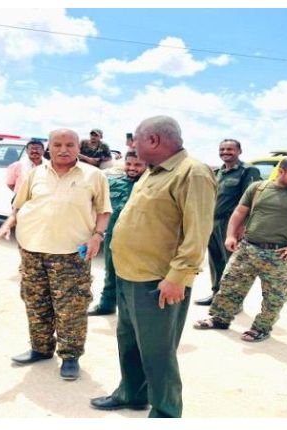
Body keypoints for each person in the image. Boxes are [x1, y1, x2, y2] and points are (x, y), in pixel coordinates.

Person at [90, 116, 216, 418]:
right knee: (129, 342)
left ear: (154, 140)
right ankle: (132, 394)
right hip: (129, 274)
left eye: (136, 140)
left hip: (158, 281)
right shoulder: (152, 171)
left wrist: (178, 278)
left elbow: (197, 234)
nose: (132, 146)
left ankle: (166, 413)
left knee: (157, 353)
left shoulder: (193, 173)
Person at [0, 128, 111, 381]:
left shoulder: (94, 175)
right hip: (32, 251)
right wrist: (7, 224)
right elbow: (18, 206)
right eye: (57, 144)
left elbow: (103, 211)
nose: (63, 149)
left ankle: (70, 356)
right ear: (49, 147)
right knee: (36, 302)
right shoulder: (35, 174)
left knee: (71, 307)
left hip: (71, 253)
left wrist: (98, 236)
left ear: (78, 148)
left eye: (69, 145)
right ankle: (41, 348)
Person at [193, 156, 287, 342]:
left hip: (278, 254)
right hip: (247, 248)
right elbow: (239, 212)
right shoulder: (258, 188)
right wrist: (231, 235)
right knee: (230, 286)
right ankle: (219, 319)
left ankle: (261, 328)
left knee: (274, 296)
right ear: (281, 171)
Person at [195, 139, 261, 306]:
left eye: (230, 149)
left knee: (233, 264)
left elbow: (253, 200)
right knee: (215, 260)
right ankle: (216, 294)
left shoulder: (248, 171)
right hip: (213, 223)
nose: (225, 152)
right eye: (222, 149)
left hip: (231, 224)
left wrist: (242, 225)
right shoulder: (218, 173)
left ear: (239, 151)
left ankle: (233, 302)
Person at [88, 151, 147, 316]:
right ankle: (106, 304)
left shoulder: (150, 185)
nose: (132, 168)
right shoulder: (112, 182)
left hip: (139, 240)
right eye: (129, 164)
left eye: (137, 165)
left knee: (136, 276)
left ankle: (133, 311)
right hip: (113, 237)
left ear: (146, 165)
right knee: (110, 272)